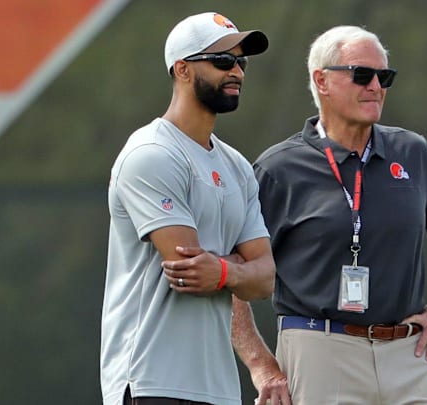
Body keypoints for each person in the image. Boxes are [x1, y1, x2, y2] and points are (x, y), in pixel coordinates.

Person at [239, 25, 427, 404]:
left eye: (384, 77)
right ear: (322, 81)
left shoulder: (411, 151)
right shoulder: (278, 168)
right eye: (361, 75)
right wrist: (262, 367)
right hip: (319, 350)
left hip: (409, 352)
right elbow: (233, 274)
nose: (375, 86)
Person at [100, 12, 289, 405]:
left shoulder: (237, 166)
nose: (236, 71)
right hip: (152, 381)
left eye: (241, 61)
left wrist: (222, 268)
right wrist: (239, 267)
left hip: (218, 388)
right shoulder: (152, 153)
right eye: (222, 61)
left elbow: (266, 278)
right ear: (182, 70)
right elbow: (187, 271)